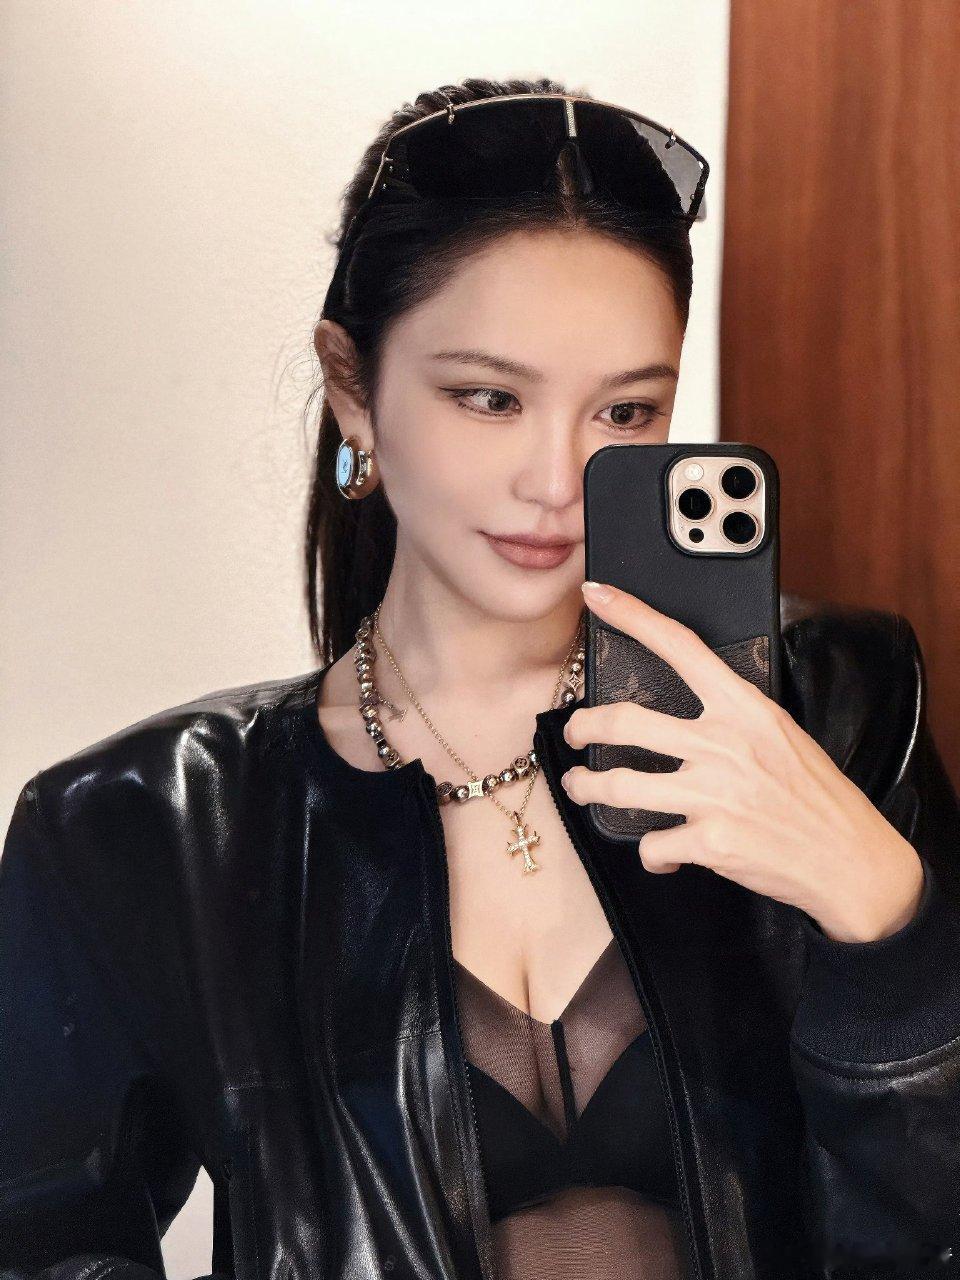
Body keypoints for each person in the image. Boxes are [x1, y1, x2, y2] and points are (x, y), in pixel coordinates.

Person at [2, 76, 959, 1280]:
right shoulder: (145, 828)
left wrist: (892, 922)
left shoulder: (832, 708)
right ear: (353, 386)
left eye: (626, 409)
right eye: (490, 397)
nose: (557, 480)